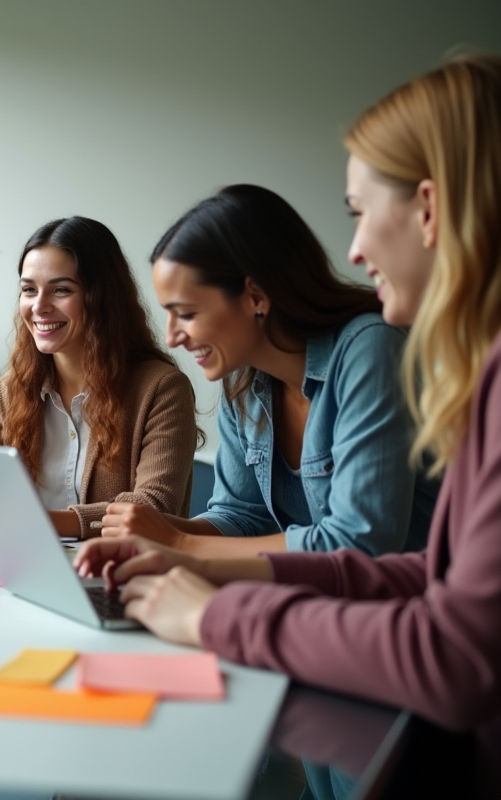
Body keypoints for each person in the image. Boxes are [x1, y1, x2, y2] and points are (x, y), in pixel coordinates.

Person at [75, 54, 501, 792]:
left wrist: (212, 604)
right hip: (361, 664)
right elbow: (426, 573)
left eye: (360, 213)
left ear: (430, 208)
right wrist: (185, 556)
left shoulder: (377, 347)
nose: (357, 248)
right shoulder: (248, 386)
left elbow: (417, 604)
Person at [96, 185, 439, 557]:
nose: (172, 337)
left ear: (255, 297)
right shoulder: (242, 379)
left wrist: (180, 543)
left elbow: (361, 541)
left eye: (188, 313)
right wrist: (152, 530)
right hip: (318, 599)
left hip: (410, 605)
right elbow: (241, 517)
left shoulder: (369, 347)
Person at [0, 216, 198, 545]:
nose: (39, 306)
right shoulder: (10, 391)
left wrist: (29, 519)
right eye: (28, 290)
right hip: (21, 565)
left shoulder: (162, 388)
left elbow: (152, 508)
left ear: (101, 296)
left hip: (118, 574)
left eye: (61, 290)